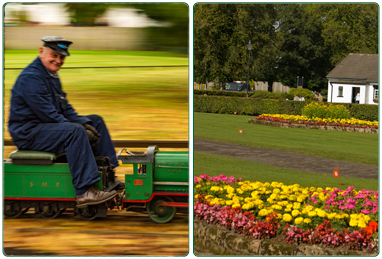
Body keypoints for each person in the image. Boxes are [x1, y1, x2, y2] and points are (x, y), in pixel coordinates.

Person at [8, 36, 122, 207]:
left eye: (62, 57)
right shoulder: (31, 77)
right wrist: (80, 128)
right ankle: (84, 192)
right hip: (28, 133)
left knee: (96, 121)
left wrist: (85, 123)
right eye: (54, 55)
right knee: (74, 131)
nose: (58, 60)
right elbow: (48, 113)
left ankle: (108, 175)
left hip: (43, 127)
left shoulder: (51, 75)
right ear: (41, 52)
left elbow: (65, 108)